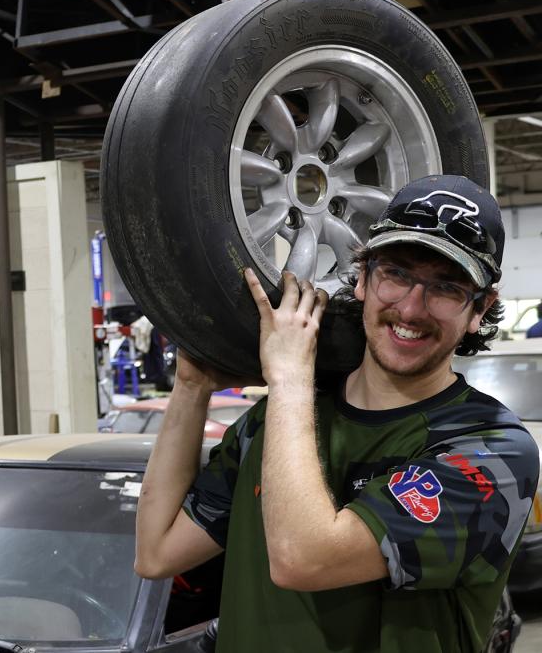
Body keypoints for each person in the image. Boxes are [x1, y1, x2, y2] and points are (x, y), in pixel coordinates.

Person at [133, 175, 539, 652]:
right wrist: (191, 387)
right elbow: (157, 553)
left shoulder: (490, 450)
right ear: (363, 278)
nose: (411, 308)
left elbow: (305, 560)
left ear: (479, 309)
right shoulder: (276, 421)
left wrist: (289, 377)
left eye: (446, 288)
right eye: (396, 274)